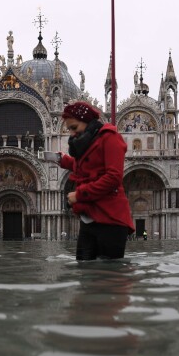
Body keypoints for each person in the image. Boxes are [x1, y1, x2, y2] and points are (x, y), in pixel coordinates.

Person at [57, 101, 134, 260]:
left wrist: (79, 195)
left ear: (87, 122)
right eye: (69, 129)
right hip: (90, 217)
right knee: (84, 271)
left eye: (74, 127)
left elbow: (113, 177)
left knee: (109, 274)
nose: (71, 134)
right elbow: (89, 167)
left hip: (110, 218)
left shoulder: (110, 138)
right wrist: (65, 161)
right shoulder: (87, 142)